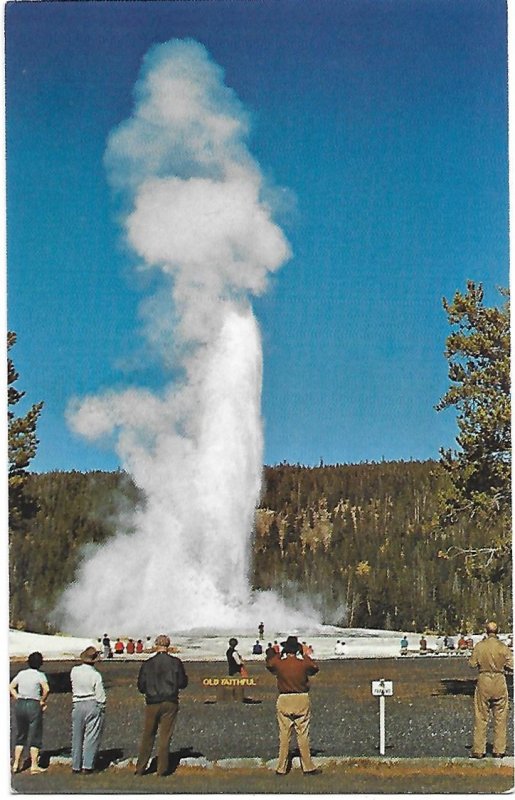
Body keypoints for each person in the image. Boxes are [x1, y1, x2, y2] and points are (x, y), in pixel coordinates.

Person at [266, 634, 321, 776]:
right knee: (303, 734)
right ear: (297, 649)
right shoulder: (302, 663)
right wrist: (304, 655)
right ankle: (308, 766)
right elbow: (314, 668)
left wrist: (278, 654)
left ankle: (281, 767)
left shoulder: (280, 664)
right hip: (301, 698)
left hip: (284, 698)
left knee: (284, 735)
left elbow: (270, 664)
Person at [135, 634, 188, 777]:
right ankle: (162, 769)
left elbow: (141, 686)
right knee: (165, 736)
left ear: (156, 645)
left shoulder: (148, 663)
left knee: (148, 735)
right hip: (170, 701)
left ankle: (140, 767)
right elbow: (183, 683)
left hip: (152, 702)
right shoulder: (175, 662)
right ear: (168, 646)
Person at [469, 621, 513, 759]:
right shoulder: (503, 647)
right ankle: (499, 749)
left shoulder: (480, 646)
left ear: (486, 631)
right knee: (501, 716)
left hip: (484, 679)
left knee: (481, 715)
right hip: (499, 680)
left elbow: (472, 664)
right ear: (497, 631)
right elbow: (512, 665)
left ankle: (478, 749)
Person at [9, 651, 50, 774]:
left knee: (21, 734)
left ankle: (16, 763)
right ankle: (34, 765)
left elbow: (10, 686)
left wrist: (17, 697)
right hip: (33, 703)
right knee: (35, 734)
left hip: (21, 703)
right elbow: (46, 689)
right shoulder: (40, 675)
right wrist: (42, 701)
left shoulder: (22, 673)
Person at [70, 646, 106, 774]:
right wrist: (102, 705)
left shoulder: (74, 671)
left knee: (77, 736)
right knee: (91, 736)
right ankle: (88, 765)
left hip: (78, 703)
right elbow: (100, 694)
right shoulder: (95, 674)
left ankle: (75, 765)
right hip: (91, 702)